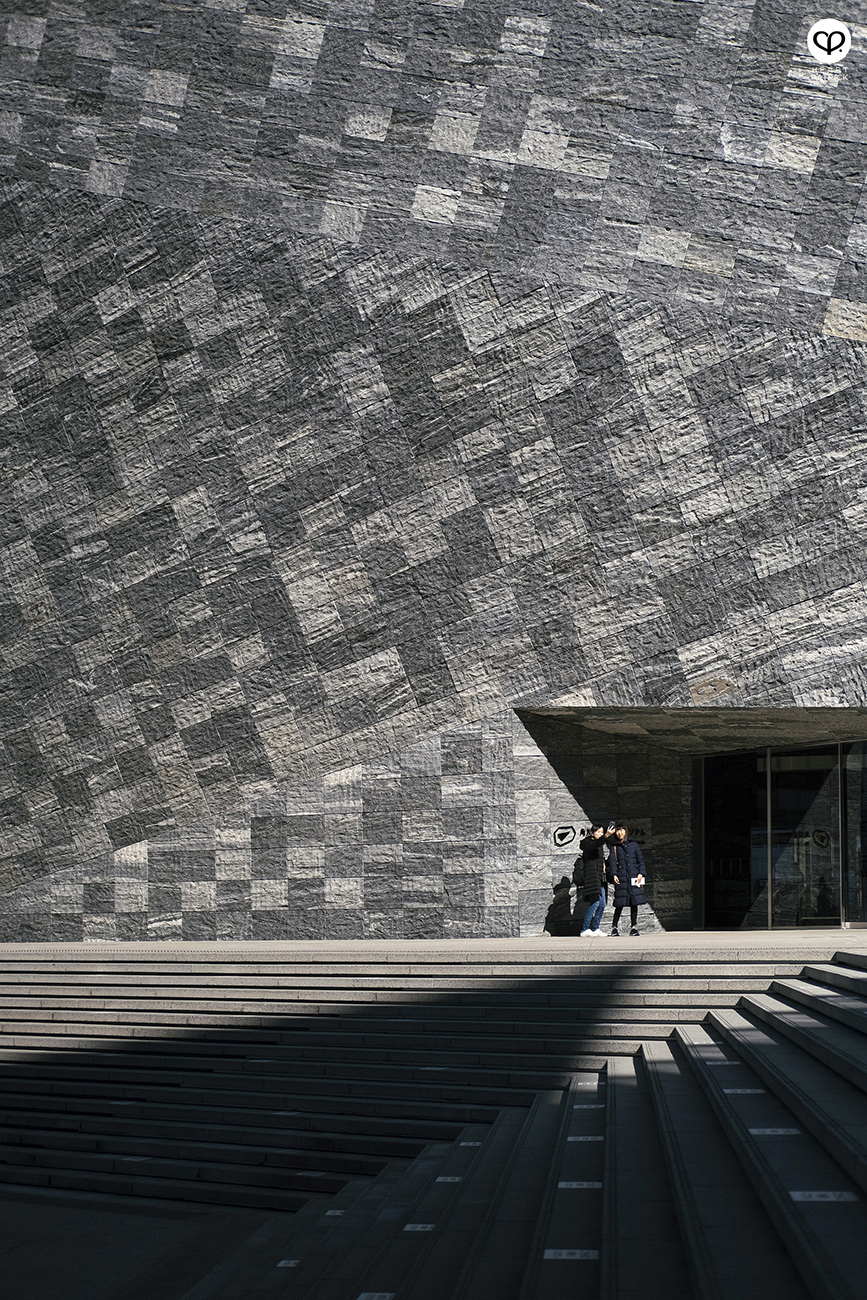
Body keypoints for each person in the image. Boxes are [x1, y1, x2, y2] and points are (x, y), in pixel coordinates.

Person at [607, 825, 647, 936]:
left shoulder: (634, 845)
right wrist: (614, 874)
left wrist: (641, 873)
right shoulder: (614, 846)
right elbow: (613, 862)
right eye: (618, 831)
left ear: (625, 831)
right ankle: (614, 928)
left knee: (634, 902)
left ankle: (634, 927)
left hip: (634, 877)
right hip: (622, 877)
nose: (619, 833)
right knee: (620, 902)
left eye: (621, 830)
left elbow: (640, 861)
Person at [573, 825, 607, 936]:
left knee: (602, 903)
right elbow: (592, 845)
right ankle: (585, 928)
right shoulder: (587, 842)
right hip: (591, 876)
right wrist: (606, 836)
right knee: (595, 902)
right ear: (592, 833)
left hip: (599, 877)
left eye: (602, 832)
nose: (600, 834)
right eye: (598, 832)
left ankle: (595, 928)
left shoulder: (599, 844)